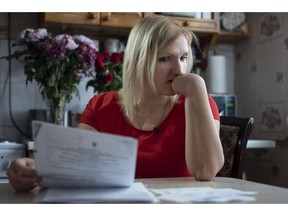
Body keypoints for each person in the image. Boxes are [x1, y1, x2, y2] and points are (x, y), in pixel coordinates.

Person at [7, 14, 224, 192]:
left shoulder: (199, 101)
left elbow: (206, 171)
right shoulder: (101, 107)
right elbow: (75, 167)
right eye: (164, 58)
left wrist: (197, 88)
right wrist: (33, 172)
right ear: (138, 62)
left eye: (183, 57)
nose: (179, 70)